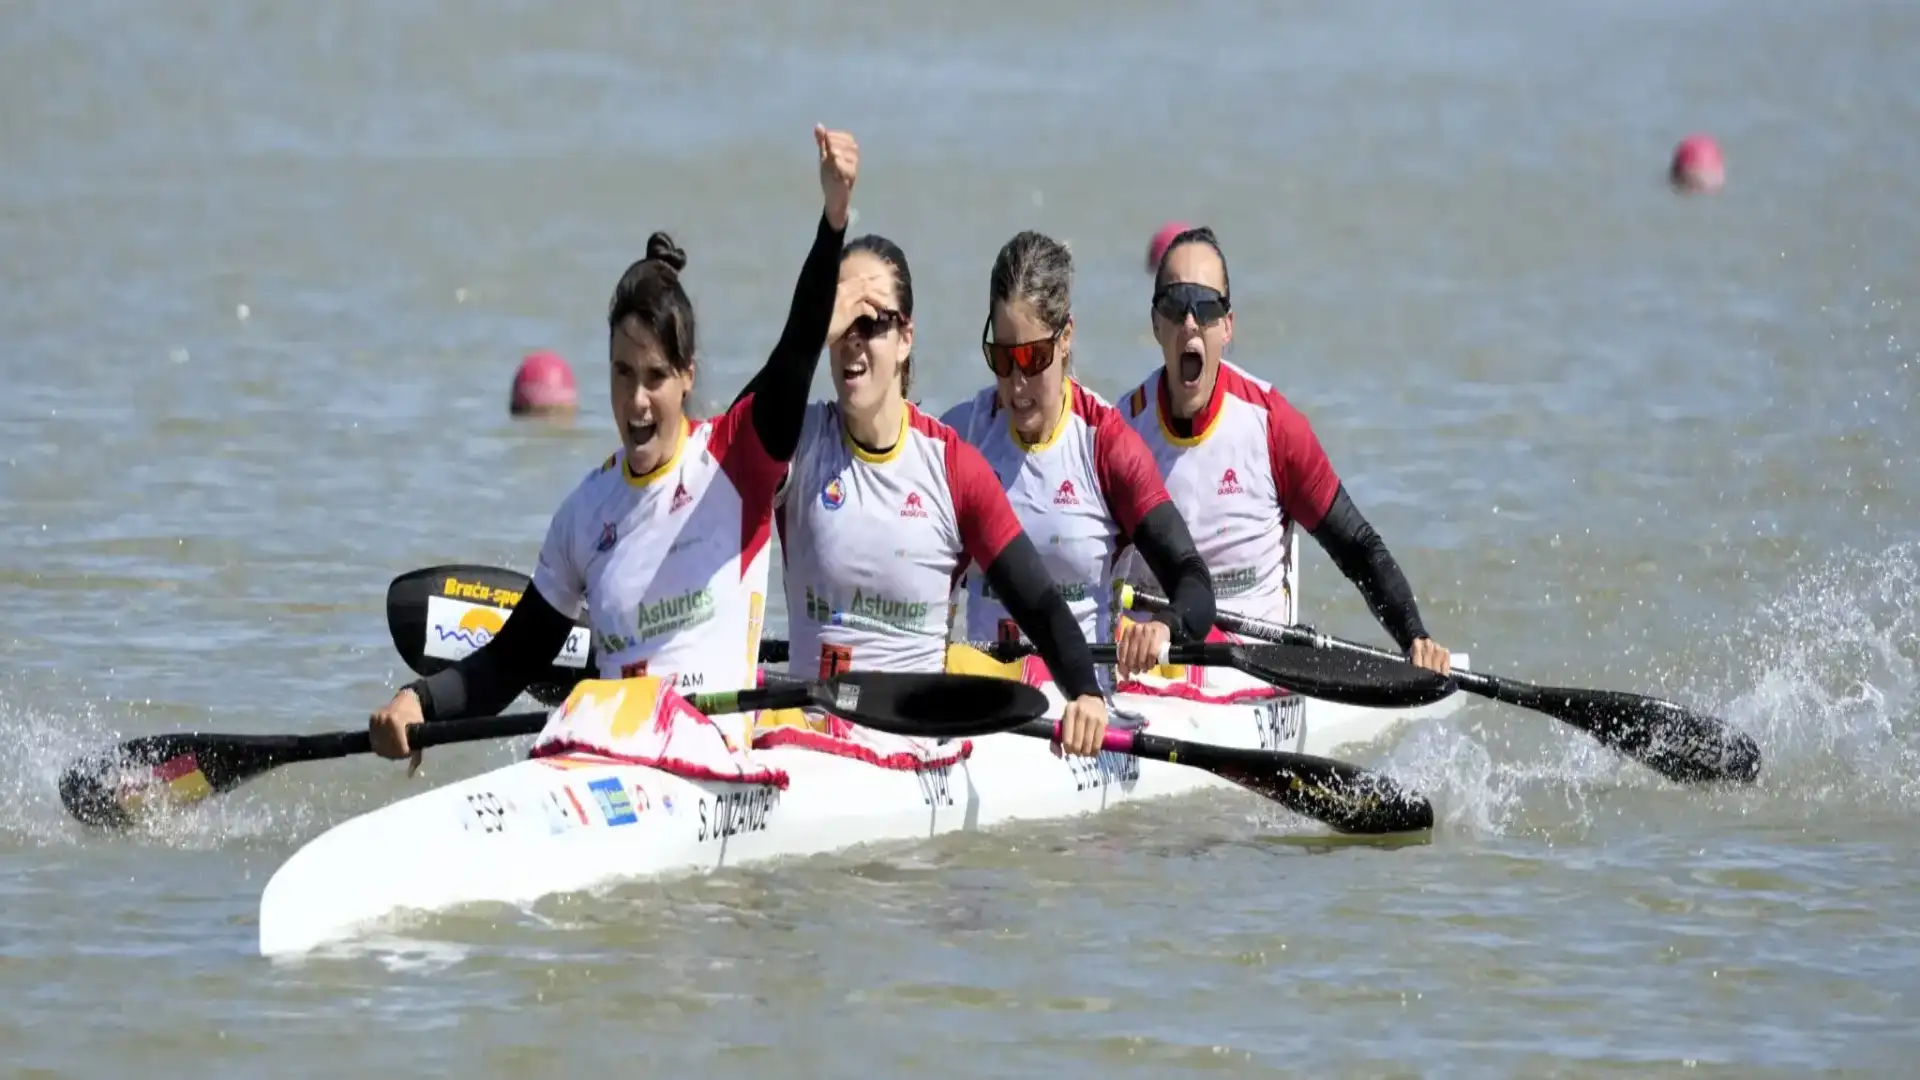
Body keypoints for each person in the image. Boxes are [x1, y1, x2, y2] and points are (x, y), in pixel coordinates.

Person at [369, 126, 883, 773]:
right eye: (621, 374)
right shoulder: (585, 512)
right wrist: (418, 703)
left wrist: (833, 219)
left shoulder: (737, 462)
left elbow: (795, 353)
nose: (637, 402)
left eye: (654, 378)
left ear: (687, 375)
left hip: (714, 762)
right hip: (607, 755)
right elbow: (514, 658)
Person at [773, 233, 1113, 757]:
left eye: (870, 323)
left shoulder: (952, 468)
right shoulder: (795, 445)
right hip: (810, 741)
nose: (852, 341)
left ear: (904, 337)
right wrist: (812, 324)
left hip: (917, 750)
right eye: (840, 323)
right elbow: (737, 436)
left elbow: (1042, 606)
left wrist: (1087, 693)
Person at [1118, 226, 1453, 678]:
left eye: (1207, 307)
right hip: (1148, 673)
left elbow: (1357, 548)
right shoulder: (1118, 432)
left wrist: (1415, 637)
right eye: (1176, 305)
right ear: (1156, 322)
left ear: (1228, 327)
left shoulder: (1273, 427)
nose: (1191, 323)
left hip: (1250, 672)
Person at [941, 230, 1216, 683]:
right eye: (1003, 360)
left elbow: (1192, 579)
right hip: (986, 702)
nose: (1016, 384)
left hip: (1081, 714)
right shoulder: (961, 437)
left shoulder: (1106, 447)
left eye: (1032, 358)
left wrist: (1165, 628)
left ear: (1066, 336)